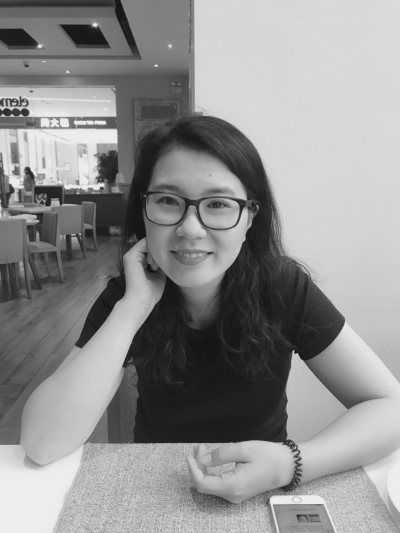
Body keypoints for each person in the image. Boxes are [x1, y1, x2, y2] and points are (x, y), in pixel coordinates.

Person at [21, 115, 400, 504]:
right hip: (153, 488)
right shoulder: (127, 295)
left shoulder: (283, 288)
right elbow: (42, 443)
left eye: (218, 204)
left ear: (250, 217)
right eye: (168, 201)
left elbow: (390, 408)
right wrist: (134, 307)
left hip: (262, 488)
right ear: (143, 210)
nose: (190, 228)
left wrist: (290, 464)